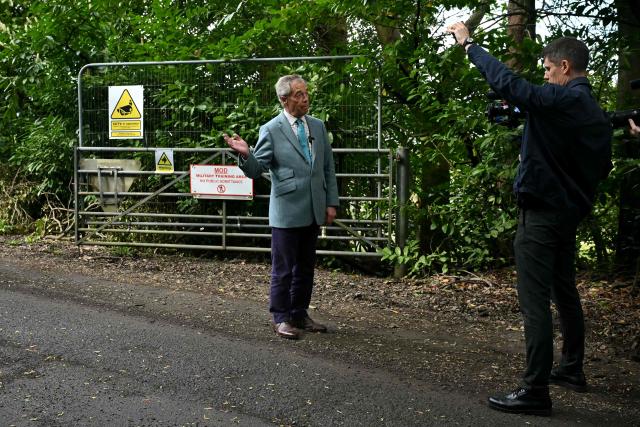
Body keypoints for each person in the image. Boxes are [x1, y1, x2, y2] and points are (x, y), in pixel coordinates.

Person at [446, 22, 612, 416]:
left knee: (534, 300)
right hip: (568, 215)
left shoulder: (563, 99)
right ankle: (571, 368)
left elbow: (510, 84)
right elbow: (600, 165)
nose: (545, 76)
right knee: (564, 290)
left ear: (565, 67)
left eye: (548, 70)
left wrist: (470, 45)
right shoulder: (592, 112)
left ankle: (534, 389)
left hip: (541, 216)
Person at [224, 74, 339, 340]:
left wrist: (331, 201)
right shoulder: (271, 129)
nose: (306, 98)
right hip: (286, 208)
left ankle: (300, 313)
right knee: (283, 268)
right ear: (283, 99)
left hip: (313, 207)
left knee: (306, 267)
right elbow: (257, 170)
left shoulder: (318, 127)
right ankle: (281, 317)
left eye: (306, 92)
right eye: (299, 94)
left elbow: (327, 168)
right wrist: (245, 154)